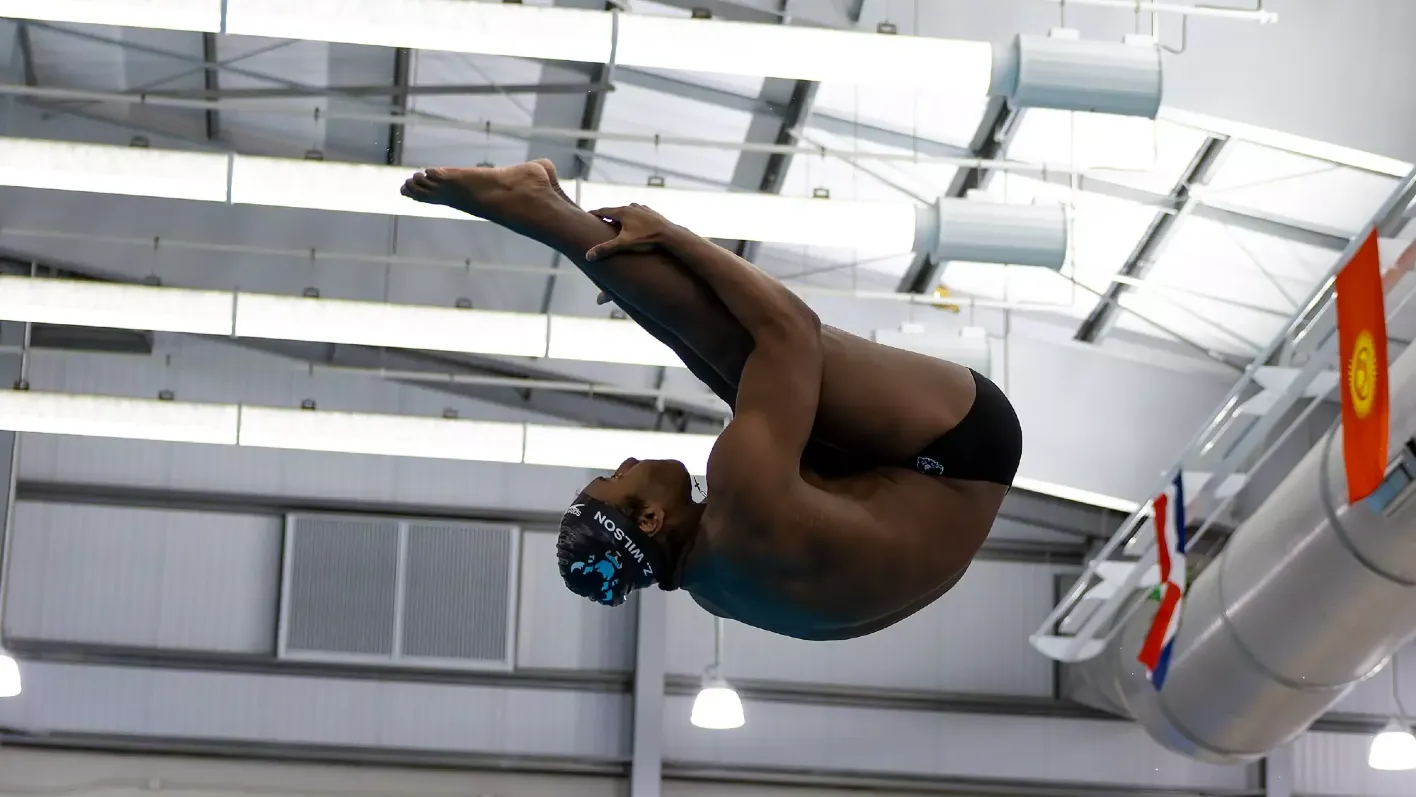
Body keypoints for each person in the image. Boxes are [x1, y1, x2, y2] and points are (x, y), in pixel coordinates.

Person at [400, 160, 1022, 641]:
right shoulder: (745, 495)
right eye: (615, 478)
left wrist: (649, 293)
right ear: (649, 519)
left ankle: (554, 208)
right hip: (957, 448)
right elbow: (793, 329)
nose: (625, 463)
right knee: (732, 344)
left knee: (729, 364)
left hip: (890, 500)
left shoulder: (711, 588)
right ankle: (535, 205)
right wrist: (675, 237)